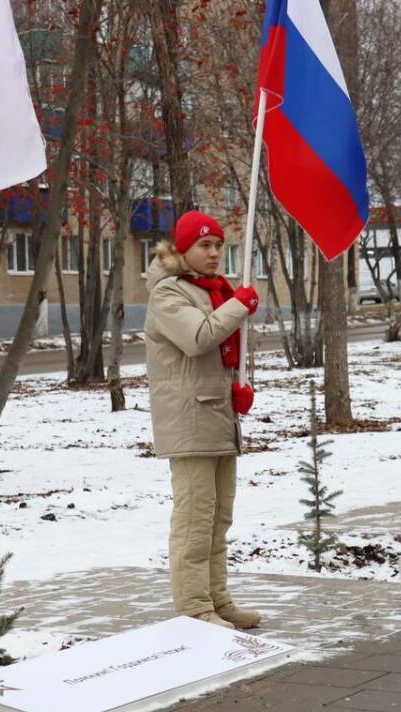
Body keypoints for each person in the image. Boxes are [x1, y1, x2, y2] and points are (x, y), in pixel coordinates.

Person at [144, 210, 263, 630]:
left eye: (218, 245)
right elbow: (198, 338)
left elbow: (216, 353)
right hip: (189, 422)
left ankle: (218, 600)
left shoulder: (212, 290)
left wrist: (236, 388)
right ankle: (195, 608)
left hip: (216, 416)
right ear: (183, 249)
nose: (214, 253)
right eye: (204, 245)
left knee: (218, 520)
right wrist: (238, 306)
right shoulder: (168, 292)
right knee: (195, 521)